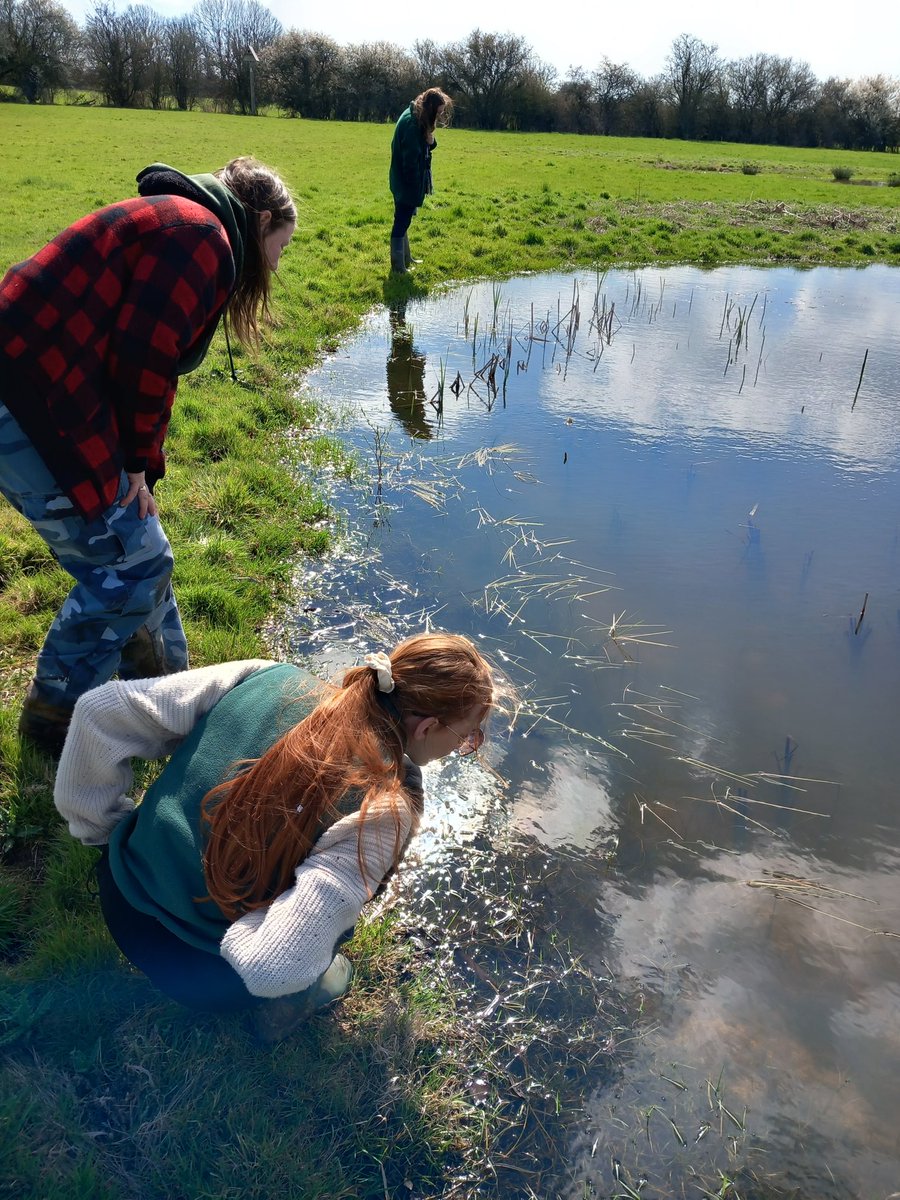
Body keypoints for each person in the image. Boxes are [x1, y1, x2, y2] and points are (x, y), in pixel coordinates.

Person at [53, 633, 494, 1042]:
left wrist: (102, 828)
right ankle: (291, 1006)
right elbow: (272, 966)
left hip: (119, 889)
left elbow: (100, 711)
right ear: (427, 727)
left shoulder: (267, 674)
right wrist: (261, 939)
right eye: (467, 735)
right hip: (196, 974)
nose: (464, 747)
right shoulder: (386, 806)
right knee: (335, 943)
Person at [0, 157, 297, 757]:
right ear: (259, 219)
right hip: (29, 397)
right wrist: (135, 463)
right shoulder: (203, 238)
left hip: (44, 386)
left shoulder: (187, 224)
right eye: (280, 248)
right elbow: (143, 358)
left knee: (142, 549)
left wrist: (141, 470)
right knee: (128, 568)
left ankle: (163, 699)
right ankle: (52, 719)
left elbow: (133, 349)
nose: (275, 264)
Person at [389, 87, 452, 273]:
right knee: (401, 221)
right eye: (439, 112)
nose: (440, 116)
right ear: (431, 108)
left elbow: (425, 144)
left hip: (403, 179)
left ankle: (406, 258)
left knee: (404, 219)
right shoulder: (411, 124)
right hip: (405, 182)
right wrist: (414, 189)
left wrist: (431, 142)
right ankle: (398, 267)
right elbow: (410, 162)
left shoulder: (418, 116)